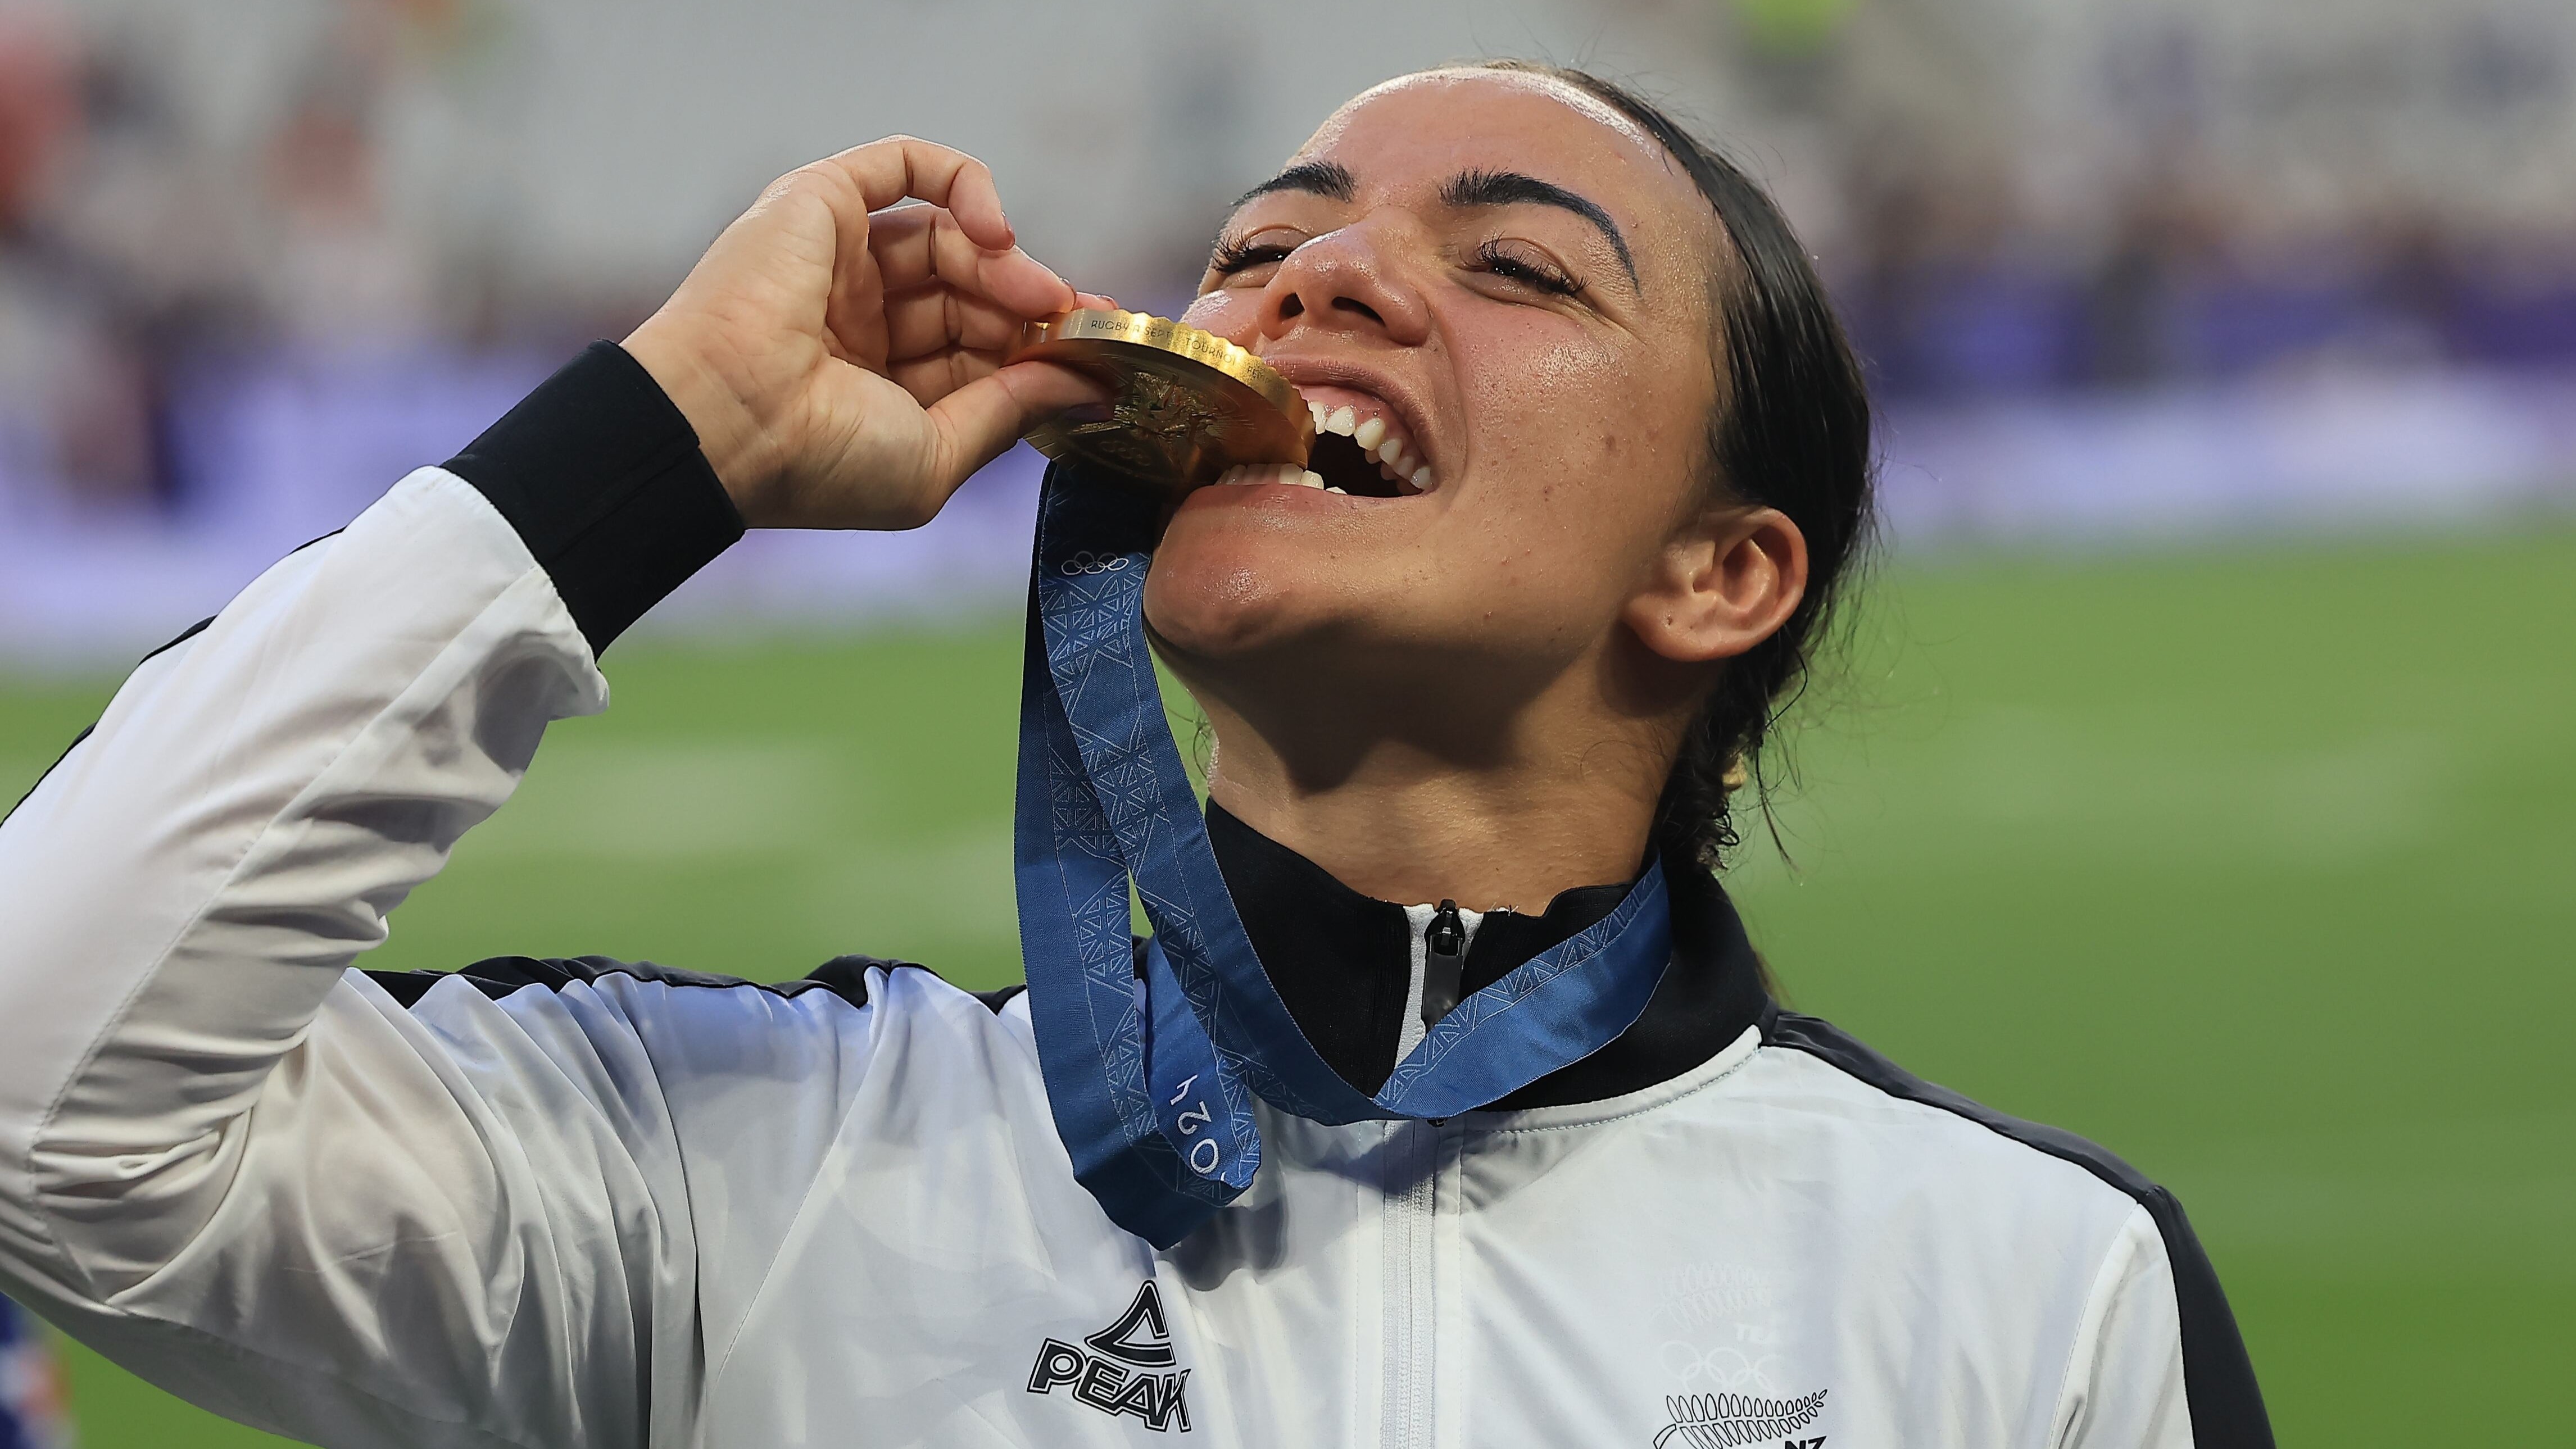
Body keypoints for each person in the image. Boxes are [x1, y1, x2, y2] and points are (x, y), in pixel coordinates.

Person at [0, 62, 2269, 1447]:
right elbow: (41, 1084)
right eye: (1266, 250)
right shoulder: (740, 1177)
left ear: (1722, 574)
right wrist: (663, 442)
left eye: (1521, 270)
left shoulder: (2028, 1296)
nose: (1309, 287)